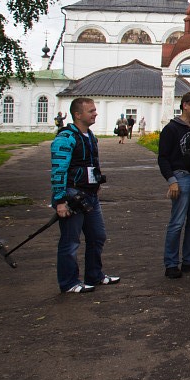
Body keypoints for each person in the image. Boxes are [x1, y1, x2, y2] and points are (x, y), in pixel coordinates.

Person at [50, 96, 120, 293]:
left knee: (97, 236)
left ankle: (94, 275)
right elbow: (58, 170)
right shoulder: (66, 138)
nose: (95, 113)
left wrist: (96, 181)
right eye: (91, 111)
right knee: (70, 241)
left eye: (95, 110)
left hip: (90, 194)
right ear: (77, 114)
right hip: (72, 195)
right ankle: (69, 283)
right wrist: (60, 200)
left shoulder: (90, 136)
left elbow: (92, 163)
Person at [158, 92, 190, 279]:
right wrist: (171, 181)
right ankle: (171, 263)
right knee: (177, 222)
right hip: (182, 178)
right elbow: (163, 158)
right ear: (185, 105)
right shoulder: (171, 129)